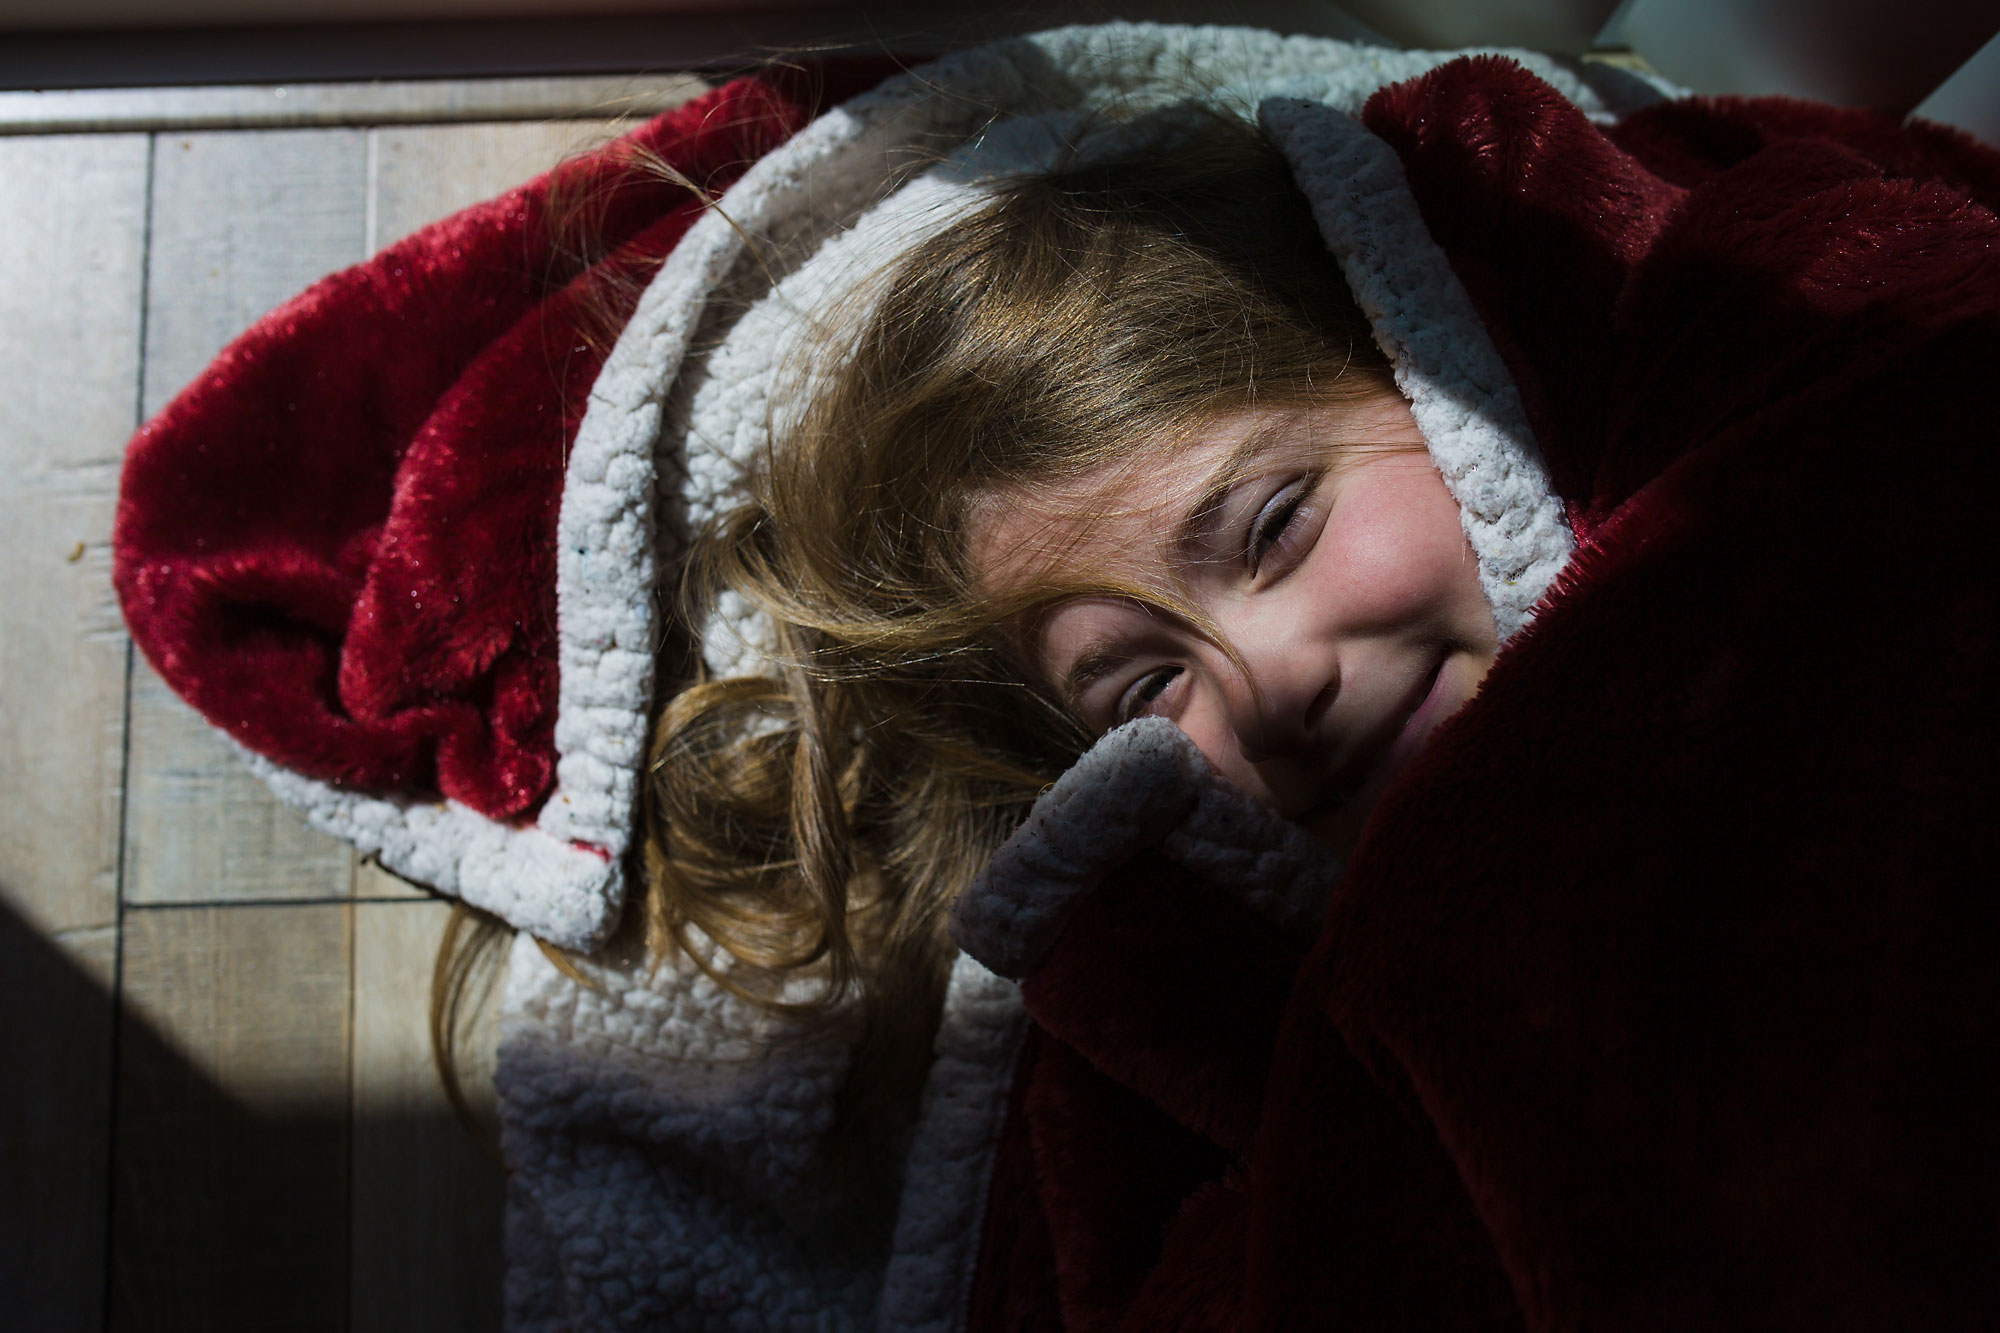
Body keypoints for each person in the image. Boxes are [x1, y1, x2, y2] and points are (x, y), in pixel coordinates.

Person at [113, 24, 2000, 1329]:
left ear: (1436, 356)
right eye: (1134, 696)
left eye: (1267, 528)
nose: (1271, 684)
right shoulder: (1241, 1005)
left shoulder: (1792, 427)